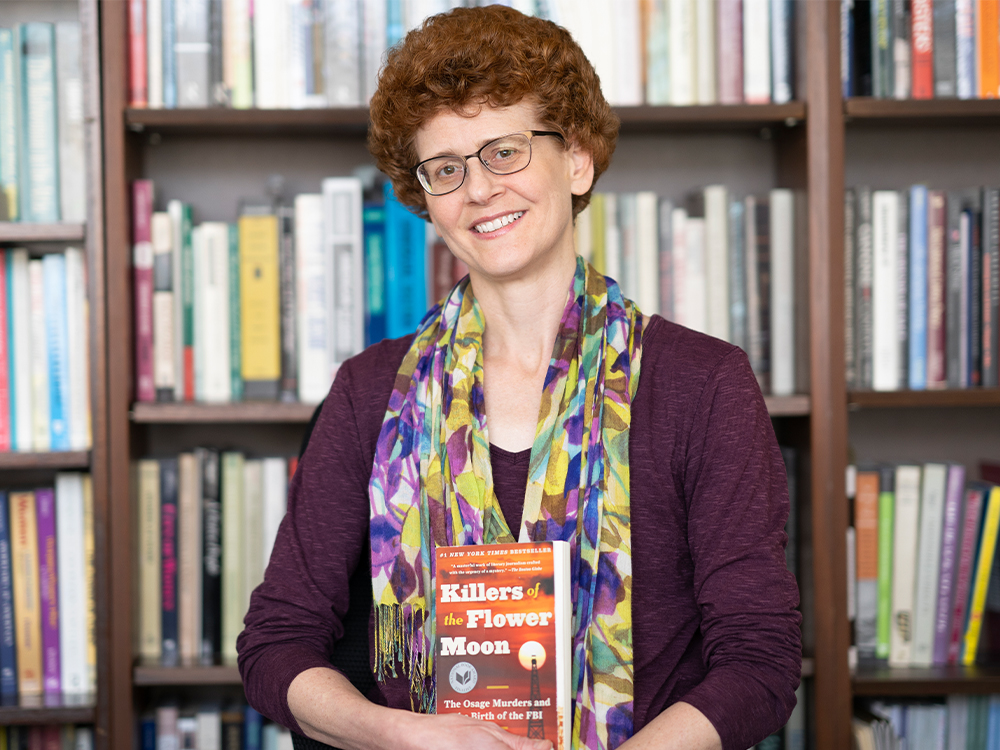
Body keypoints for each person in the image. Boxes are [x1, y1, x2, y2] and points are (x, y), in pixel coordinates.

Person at [237, 6, 801, 750]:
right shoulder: (368, 392)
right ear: (426, 198)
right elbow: (276, 644)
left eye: (504, 151)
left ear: (577, 160)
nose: (477, 189)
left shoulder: (703, 384)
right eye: (446, 168)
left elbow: (760, 662)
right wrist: (398, 734)